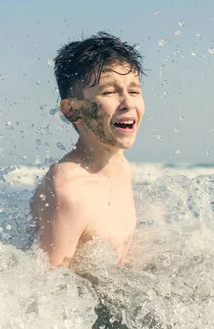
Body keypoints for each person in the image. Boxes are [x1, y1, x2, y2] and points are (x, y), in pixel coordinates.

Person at [31, 32, 146, 268]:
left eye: (134, 91)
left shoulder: (123, 169)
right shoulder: (68, 192)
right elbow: (47, 289)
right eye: (110, 92)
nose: (128, 102)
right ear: (72, 110)